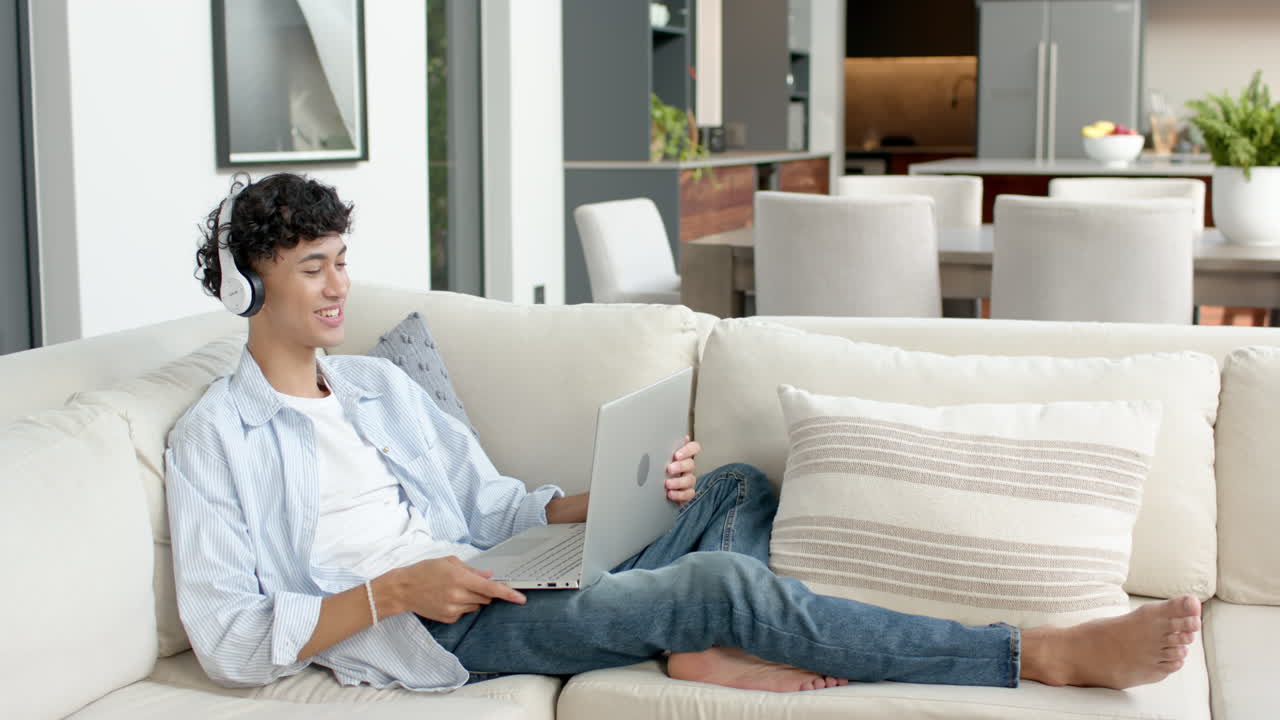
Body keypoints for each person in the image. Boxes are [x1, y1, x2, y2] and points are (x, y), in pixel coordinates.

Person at [167, 172, 1202, 694]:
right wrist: (397, 589)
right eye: (314, 267)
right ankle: (1035, 655)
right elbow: (226, 641)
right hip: (428, 627)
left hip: (485, 566)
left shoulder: (376, 390)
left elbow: (495, 508)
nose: (341, 285)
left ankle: (696, 647)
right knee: (716, 583)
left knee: (735, 486)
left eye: (343, 258)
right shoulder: (215, 440)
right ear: (254, 283)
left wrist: (606, 501)